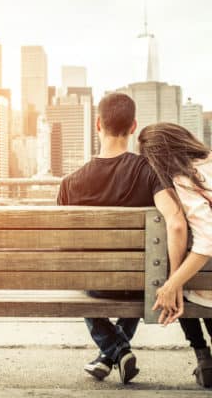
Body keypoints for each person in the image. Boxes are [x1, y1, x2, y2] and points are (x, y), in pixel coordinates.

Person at [57, 93, 187, 384]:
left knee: (83, 276)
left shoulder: (69, 184)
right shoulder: (149, 171)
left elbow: (64, 250)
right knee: (143, 273)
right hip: (138, 284)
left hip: (96, 287)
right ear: (133, 127)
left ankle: (113, 350)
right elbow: (177, 224)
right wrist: (174, 281)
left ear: (98, 125)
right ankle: (115, 350)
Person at [138, 122, 212, 388]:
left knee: (183, 288)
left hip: (206, 286)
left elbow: (206, 241)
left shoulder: (186, 179)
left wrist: (172, 283)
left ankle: (202, 355)